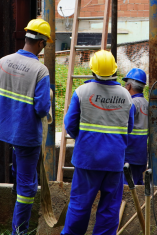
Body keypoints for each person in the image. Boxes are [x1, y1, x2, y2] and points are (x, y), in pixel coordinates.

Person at [0, 19, 52, 235]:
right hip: (26, 134)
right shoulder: (40, 71)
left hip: (4, 129)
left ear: (26, 38)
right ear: (41, 43)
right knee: (27, 186)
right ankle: (19, 231)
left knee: (18, 173)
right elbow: (42, 108)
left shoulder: (2, 62)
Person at [62, 50, 134, 235]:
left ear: (92, 70)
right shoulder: (126, 96)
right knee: (110, 207)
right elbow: (129, 127)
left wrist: (84, 139)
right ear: (114, 70)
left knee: (80, 204)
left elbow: (70, 124)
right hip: (113, 161)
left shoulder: (82, 92)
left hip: (87, 159)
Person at [122, 68, 148, 185]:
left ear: (128, 86)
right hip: (141, 155)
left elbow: (124, 125)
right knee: (138, 186)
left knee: (127, 188)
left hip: (129, 155)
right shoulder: (147, 103)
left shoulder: (131, 103)